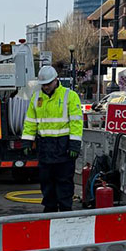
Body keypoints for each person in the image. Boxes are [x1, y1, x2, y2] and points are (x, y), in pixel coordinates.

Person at [21, 65, 83, 213]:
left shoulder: (69, 96)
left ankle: (65, 209)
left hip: (64, 147)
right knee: (46, 181)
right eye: (44, 84)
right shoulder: (36, 98)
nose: (46, 87)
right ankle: (50, 209)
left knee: (64, 181)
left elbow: (76, 122)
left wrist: (74, 144)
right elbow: (30, 121)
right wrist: (27, 141)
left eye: (49, 84)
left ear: (56, 80)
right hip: (45, 147)